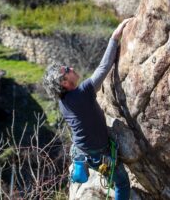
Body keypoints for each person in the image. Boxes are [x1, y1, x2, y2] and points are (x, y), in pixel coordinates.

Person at [43, 18, 132, 200]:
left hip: (82, 152)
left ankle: (90, 169)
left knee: (101, 167)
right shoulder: (83, 93)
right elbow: (104, 67)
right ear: (65, 82)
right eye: (67, 69)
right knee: (122, 183)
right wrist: (115, 37)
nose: (71, 67)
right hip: (98, 153)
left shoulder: (63, 101)